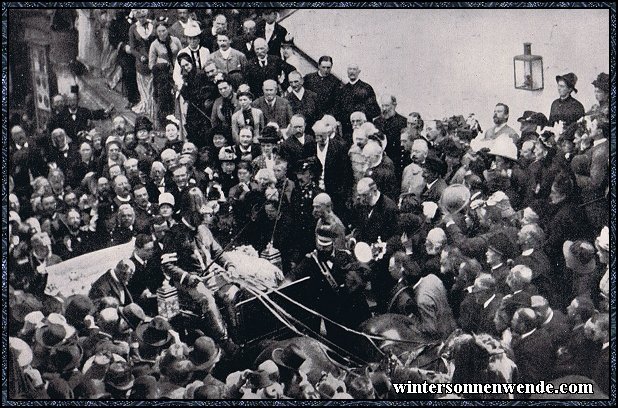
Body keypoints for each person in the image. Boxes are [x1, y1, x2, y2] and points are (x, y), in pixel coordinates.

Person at [149, 18, 182, 126]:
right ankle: (163, 123)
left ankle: (178, 121)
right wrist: (160, 65)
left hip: (176, 71)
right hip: (163, 76)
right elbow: (151, 64)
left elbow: (182, 54)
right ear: (156, 32)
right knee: (163, 98)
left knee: (176, 97)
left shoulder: (175, 40)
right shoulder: (154, 45)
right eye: (159, 31)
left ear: (167, 30)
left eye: (164, 30)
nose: (162, 33)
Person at [335, 64, 380, 135]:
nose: (352, 72)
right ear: (347, 72)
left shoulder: (366, 88)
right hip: (347, 129)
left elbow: (375, 110)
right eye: (350, 69)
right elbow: (338, 110)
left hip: (363, 129)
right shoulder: (343, 90)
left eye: (354, 69)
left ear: (359, 72)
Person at [128, 9, 156, 117]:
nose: (142, 19)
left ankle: (152, 108)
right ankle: (147, 107)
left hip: (154, 58)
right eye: (139, 17)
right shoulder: (133, 28)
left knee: (153, 87)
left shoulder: (153, 24)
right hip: (142, 61)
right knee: (145, 88)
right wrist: (140, 57)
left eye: (143, 17)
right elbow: (132, 48)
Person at [373, 94, 407, 179]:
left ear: (394, 105)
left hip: (396, 162)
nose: (384, 109)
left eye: (387, 106)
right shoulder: (377, 122)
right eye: (383, 105)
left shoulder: (403, 122)